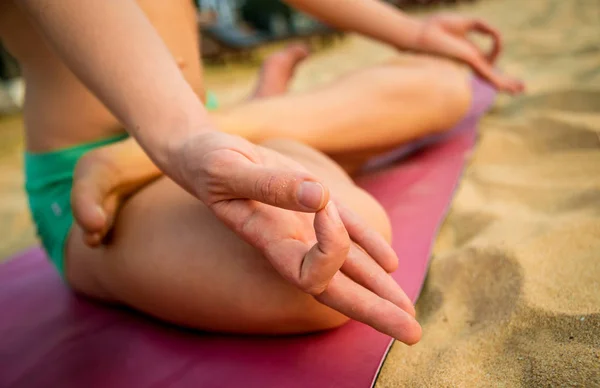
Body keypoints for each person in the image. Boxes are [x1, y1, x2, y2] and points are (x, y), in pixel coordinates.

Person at [0, 0, 523, 344]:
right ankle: (250, 129)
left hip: (200, 130)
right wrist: (182, 141)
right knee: (330, 260)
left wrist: (412, 31)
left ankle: (222, 132)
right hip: (87, 188)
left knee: (443, 85)